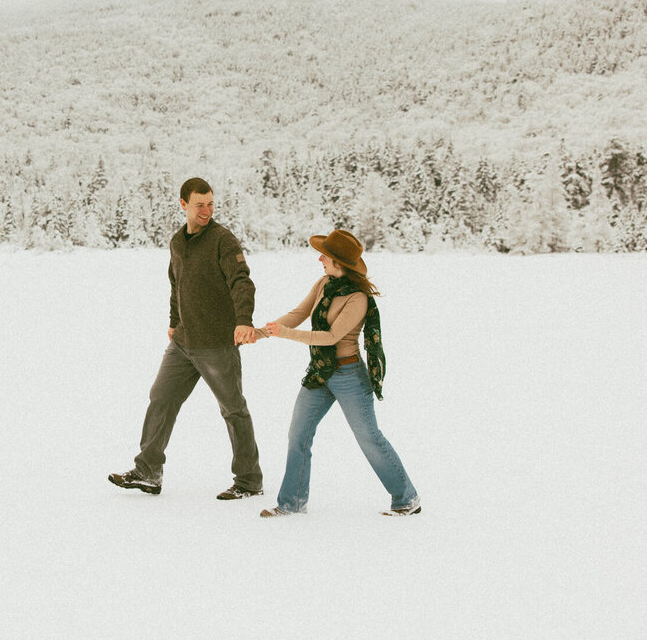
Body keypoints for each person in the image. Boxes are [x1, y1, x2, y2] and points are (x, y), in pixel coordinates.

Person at [108, 177, 263, 500]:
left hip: (217, 342)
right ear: (183, 205)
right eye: (199, 205)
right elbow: (175, 284)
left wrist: (243, 321)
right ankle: (148, 470)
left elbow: (241, 282)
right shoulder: (178, 242)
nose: (206, 210)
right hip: (182, 342)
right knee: (161, 397)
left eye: (210, 204)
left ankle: (249, 480)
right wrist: (174, 322)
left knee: (233, 409)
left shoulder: (223, 240)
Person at [256, 229, 420, 517]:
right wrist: (263, 332)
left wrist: (287, 335)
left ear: (339, 263)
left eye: (326, 256)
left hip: (348, 376)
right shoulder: (324, 283)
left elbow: (331, 337)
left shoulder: (358, 299)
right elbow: (298, 313)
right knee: (299, 435)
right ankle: (291, 503)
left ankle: (406, 498)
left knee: (369, 438)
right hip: (320, 373)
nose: (320, 259)